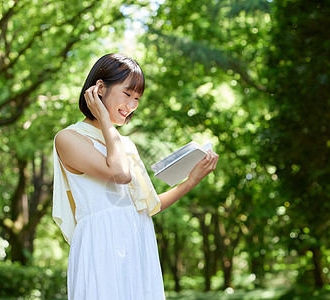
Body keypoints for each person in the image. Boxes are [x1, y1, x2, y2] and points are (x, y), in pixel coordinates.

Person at [52, 53, 219, 300]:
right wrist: (105, 120)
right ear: (99, 89)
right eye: (127, 94)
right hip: (102, 245)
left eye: (137, 98)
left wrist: (192, 179)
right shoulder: (68, 138)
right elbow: (119, 174)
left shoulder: (124, 144)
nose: (132, 105)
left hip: (137, 241)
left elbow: (148, 206)